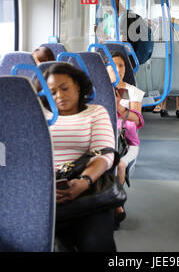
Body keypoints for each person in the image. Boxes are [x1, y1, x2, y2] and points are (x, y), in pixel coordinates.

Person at [36, 62, 117, 252]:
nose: (59, 96)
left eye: (65, 89)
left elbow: (104, 154)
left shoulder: (95, 112)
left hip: (88, 188)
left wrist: (84, 181)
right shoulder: (38, 114)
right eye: (52, 92)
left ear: (78, 87)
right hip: (45, 191)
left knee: (96, 245)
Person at [106, 51, 144, 228]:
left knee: (119, 165)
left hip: (127, 143)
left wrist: (120, 108)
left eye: (121, 65)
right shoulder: (99, 91)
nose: (117, 69)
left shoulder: (133, 92)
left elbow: (137, 120)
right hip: (106, 139)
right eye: (113, 65)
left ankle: (117, 204)